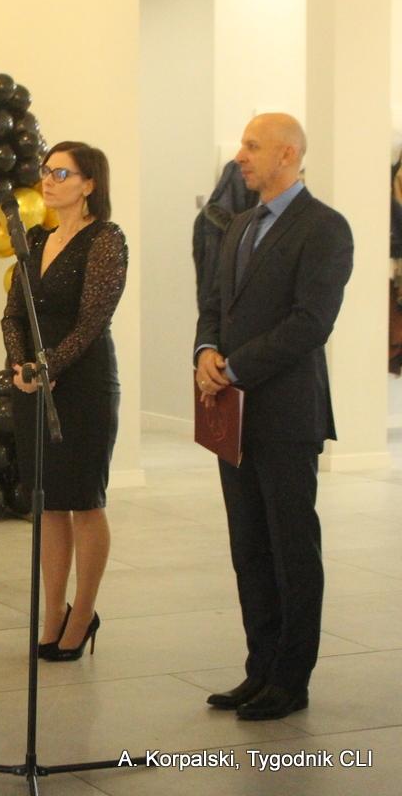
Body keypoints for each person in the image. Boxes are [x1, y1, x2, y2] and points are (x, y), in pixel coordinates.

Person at [195, 113, 353, 721]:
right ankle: (259, 668)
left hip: (287, 415)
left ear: (287, 154)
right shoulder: (238, 225)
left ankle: (290, 679)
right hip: (234, 416)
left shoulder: (325, 228)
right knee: (249, 546)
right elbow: (214, 304)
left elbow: (311, 323)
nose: (240, 155)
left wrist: (234, 367)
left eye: (252, 146)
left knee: (291, 550)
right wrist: (206, 351)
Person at [2, 141, 128, 662]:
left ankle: (83, 615)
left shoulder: (106, 239)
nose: (47, 181)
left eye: (61, 173)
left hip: (84, 384)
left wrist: (49, 367)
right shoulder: (35, 238)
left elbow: (93, 319)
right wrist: (23, 367)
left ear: (89, 184)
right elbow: (13, 314)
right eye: (45, 171)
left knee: (84, 499)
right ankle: (52, 612)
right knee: (49, 504)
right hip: (33, 383)